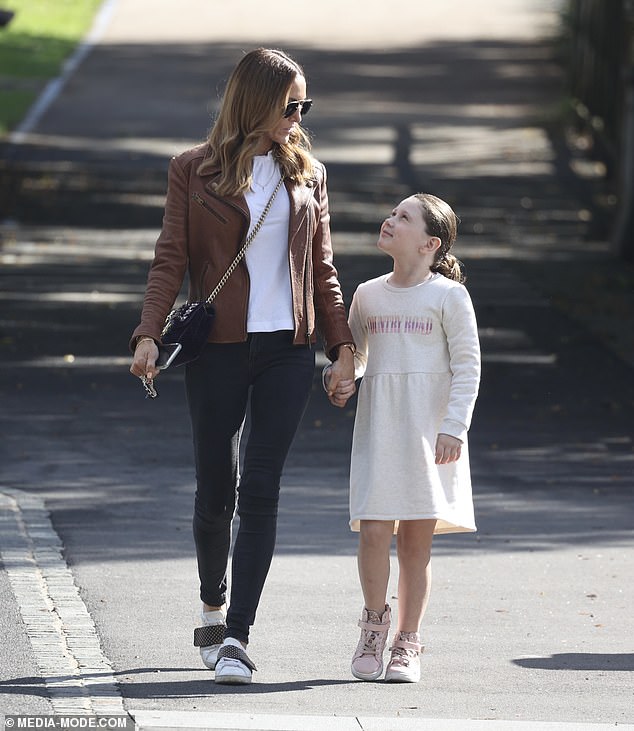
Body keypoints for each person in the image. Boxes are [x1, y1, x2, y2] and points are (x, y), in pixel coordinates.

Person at [129, 48, 355, 685]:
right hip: (219, 349)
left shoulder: (308, 175)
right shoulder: (192, 172)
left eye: (303, 106)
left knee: (260, 489)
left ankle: (237, 637)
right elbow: (169, 259)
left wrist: (342, 347)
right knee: (215, 491)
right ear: (255, 103)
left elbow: (324, 273)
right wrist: (148, 332)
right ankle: (211, 602)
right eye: (291, 106)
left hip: (288, 349)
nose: (300, 117)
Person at [325, 193, 481, 683]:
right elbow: (356, 357)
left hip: (431, 434)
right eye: (392, 213)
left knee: (416, 541)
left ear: (429, 244)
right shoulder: (368, 294)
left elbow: (467, 366)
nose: (390, 220)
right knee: (373, 531)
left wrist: (454, 426)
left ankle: (407, 642)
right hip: (380, 428)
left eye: (403, 217)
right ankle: (374, 624)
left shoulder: (449, 297)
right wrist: (339, 377)